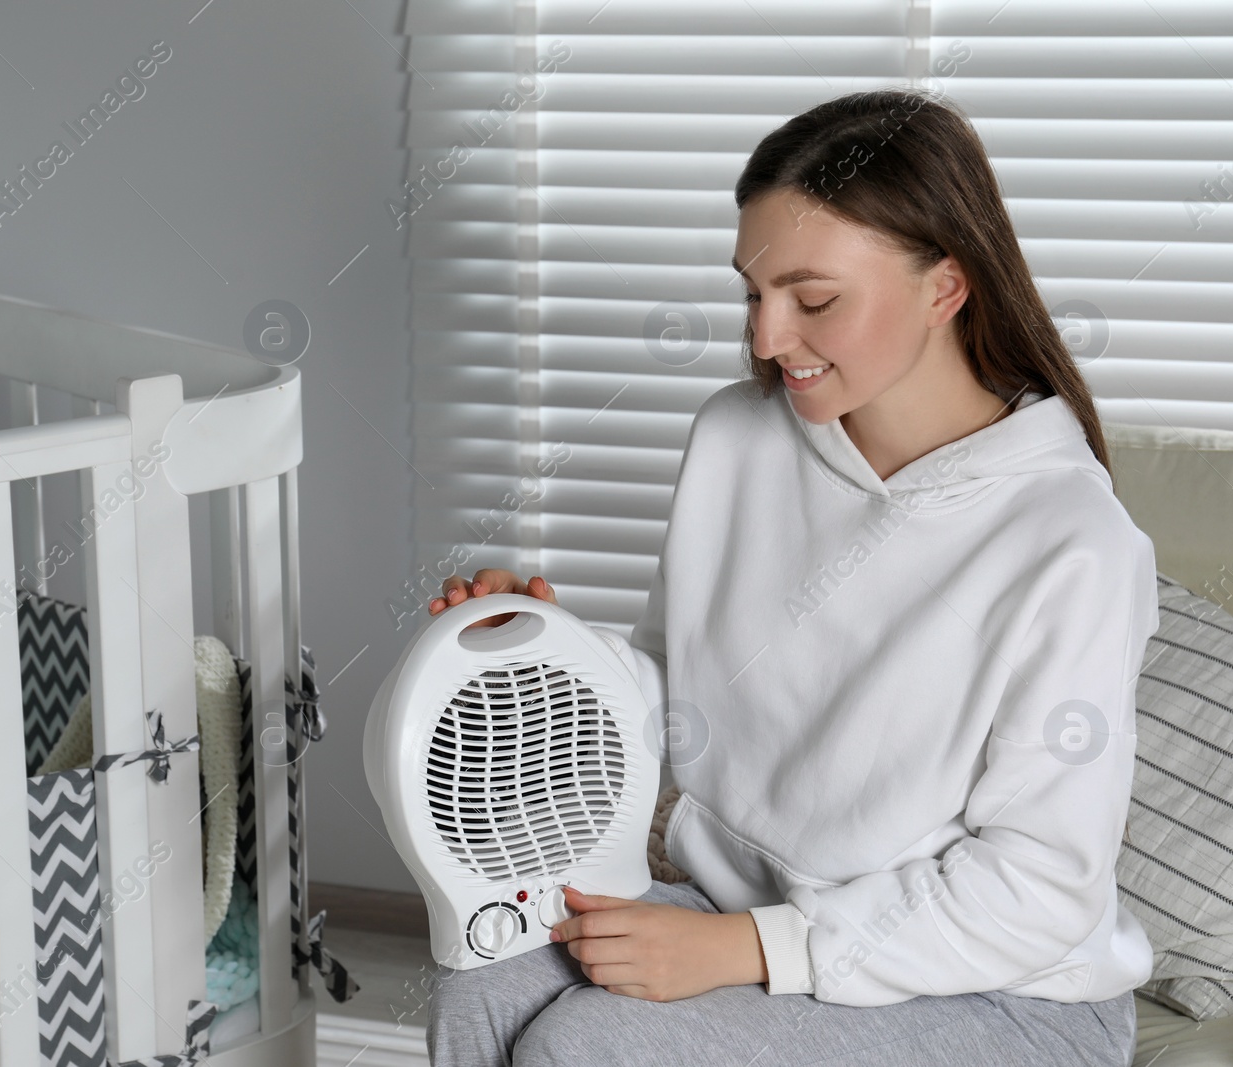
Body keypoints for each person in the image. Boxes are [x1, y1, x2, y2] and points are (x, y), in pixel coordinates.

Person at [420, 86, 1151, 1067]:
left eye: (813, 300)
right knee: (481, 983)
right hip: (748, 907)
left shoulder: (1070, 540)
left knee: (591, 1044)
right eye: (752, 292)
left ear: (945, 287)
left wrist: (752, 947)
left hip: (1006, 990)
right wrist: (541, 651)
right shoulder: (737, 436)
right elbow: (674, 693)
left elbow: (1039, 889)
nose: (766, 338)